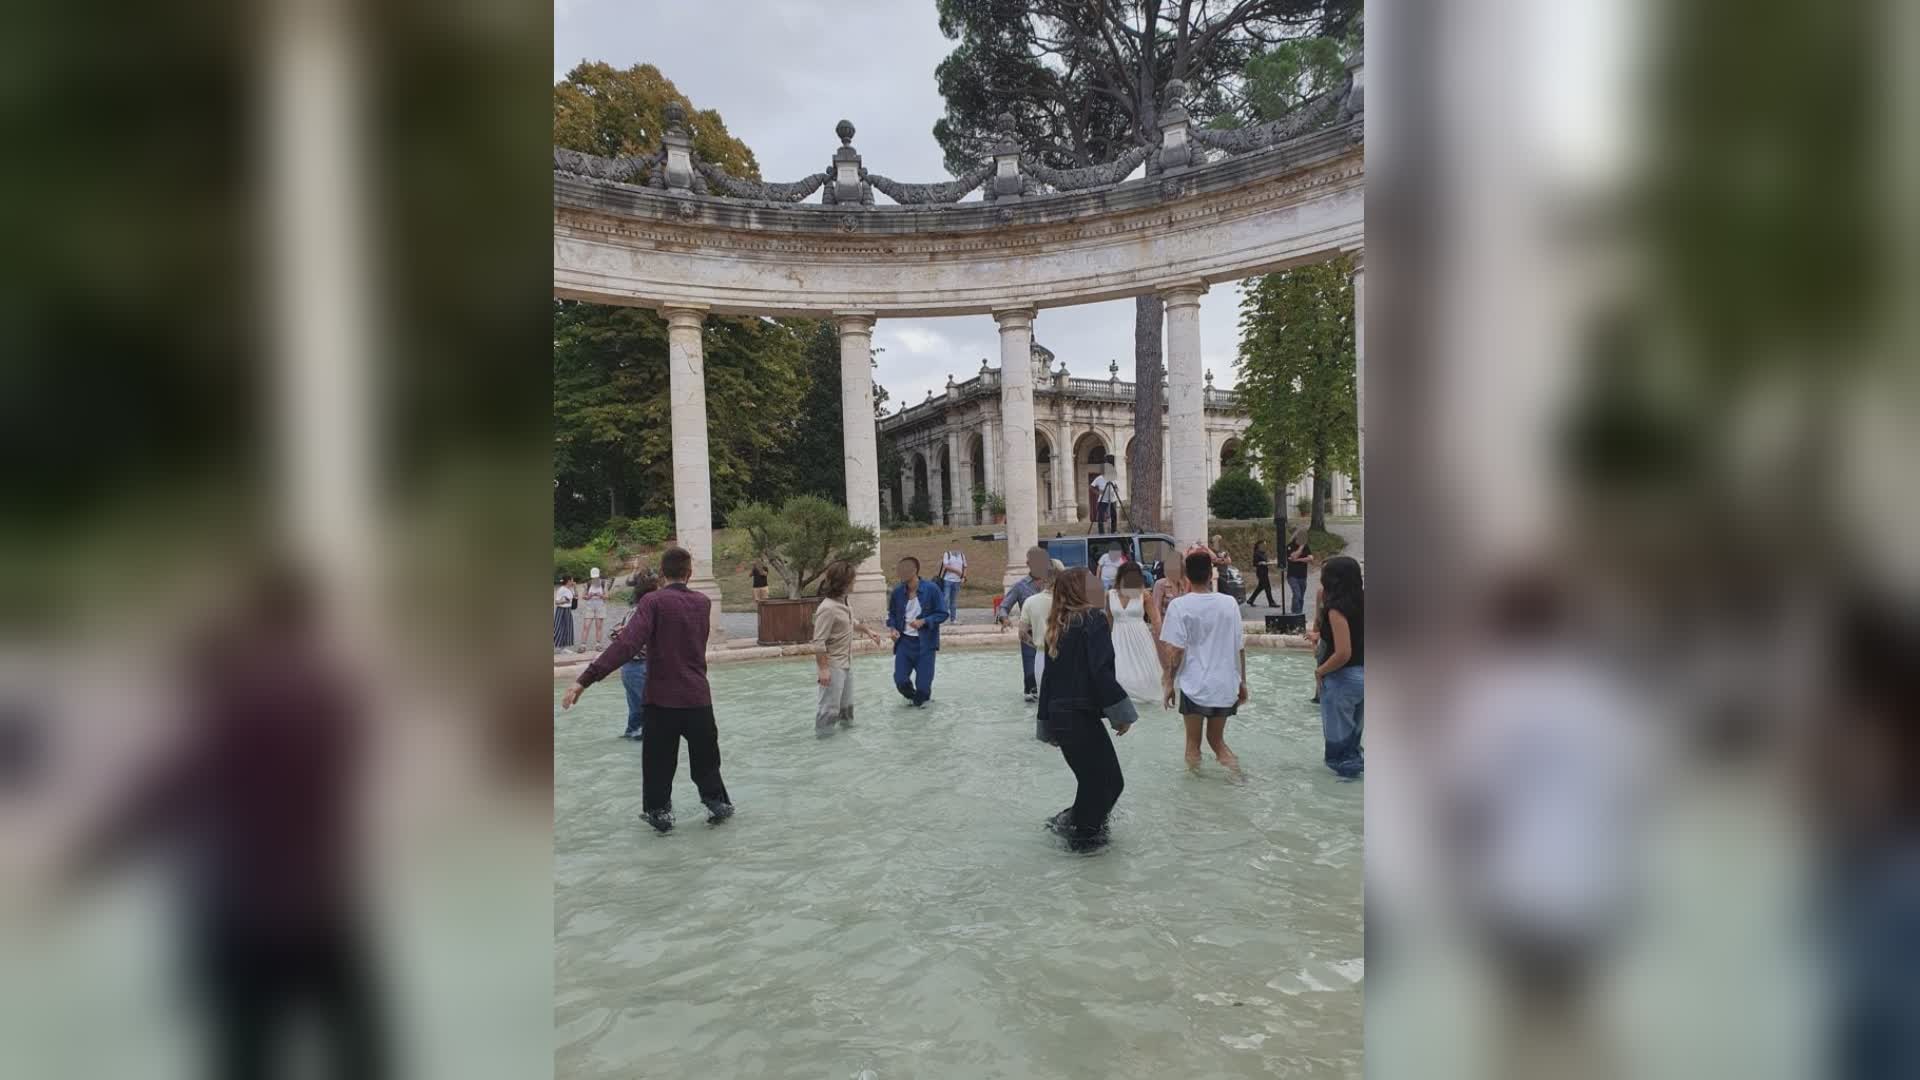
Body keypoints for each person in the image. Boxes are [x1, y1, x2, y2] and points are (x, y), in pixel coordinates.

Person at [561, 547, 734, 833]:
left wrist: (585, 680)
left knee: (657, 777)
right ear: (690, 574)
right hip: (698, 700)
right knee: (708, 772)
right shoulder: (703, 603)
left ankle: (661, 830)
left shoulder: (653, 601)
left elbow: (627, 645)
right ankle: (719, 814)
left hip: (661, 702)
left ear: (662, 574)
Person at [1036, 568, 1136, 852]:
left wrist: (1046, 724)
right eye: (1093, 581)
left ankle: (1070, 826)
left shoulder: (1059, 624)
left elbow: (1048, 681)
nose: (1099, 584)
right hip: (1079, 717)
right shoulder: (1093, 619)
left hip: (1064, 718)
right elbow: (1100, 672)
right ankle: (1084, 842)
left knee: (1098, 782)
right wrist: (1121, 715)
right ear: (1082, 589)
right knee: (1106, 783)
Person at [1159, 550, 1247, 775]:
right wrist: (1242, 682)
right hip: (1225, 683)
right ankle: (1239, 779)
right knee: (1217, 742)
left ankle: (1195, 793)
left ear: (1186, 575)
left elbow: (1176, 651)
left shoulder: (1179, 606)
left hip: (1194, 684)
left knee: (1192, 744)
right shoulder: (1229, 604)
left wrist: (1169, 682)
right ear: (1211, 574)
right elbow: (1239, 647)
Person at [810, 560, 886, 737]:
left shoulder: (844, 603)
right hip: (833, 665)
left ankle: (846, 743)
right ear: (843, 582)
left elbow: (851, 622)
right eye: (852, 579)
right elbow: (818, 641)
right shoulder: (827, 608)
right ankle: (823, 742)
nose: (854, 583)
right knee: (828, 709)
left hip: (846, 664)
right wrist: (823, 669)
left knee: (847, 708)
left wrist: (868, 630)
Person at [1313, 555, 1364, 778]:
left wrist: (1320, 670)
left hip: (1343, 679)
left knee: (1339, 750)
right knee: (1354, 742)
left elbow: (1343, 652)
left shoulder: (1337, 609)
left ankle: (1340, 793)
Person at [886, 555, 949, 707]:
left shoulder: (931, 589)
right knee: (900, 681)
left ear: (914, 570)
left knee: (923, 687)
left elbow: (943, 613)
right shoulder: (897, 592)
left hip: (926, 644)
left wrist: (924, 621)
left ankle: (921, 712)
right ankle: (916, 703)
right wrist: (893, 629)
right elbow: (892, 615)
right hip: (904, 643)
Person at [998, 547, 1052, 702]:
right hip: (1028, 636)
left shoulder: (1053, 583)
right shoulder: (1020, 586)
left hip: (1051, 635)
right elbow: (1004, 606)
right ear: (1028, 564)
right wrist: (1004, 618)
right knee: (1030, 679)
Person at [1106, 562, 1164, 704]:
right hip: (1118, 637)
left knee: (1144, 672)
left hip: (1140, 637)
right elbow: (1108, 619)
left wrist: (1164, 641)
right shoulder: (1110, 595)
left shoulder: (1144, 595)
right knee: (1119, 671)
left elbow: (1156, 620)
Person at [617, 570, 659, 740]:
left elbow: (614, 634)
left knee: (635, 710)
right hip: (640, 665)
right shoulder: (643, 612)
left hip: (628, 667)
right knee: (648, 709)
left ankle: (631, 734)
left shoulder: (632, 611)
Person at [1018, 558, 1065, 692]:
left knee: (1043, 703)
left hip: (1041, 656)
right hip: (1066, 657)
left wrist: (1036, 643)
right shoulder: (1069, 600)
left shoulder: (1030, 602)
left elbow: (1022, 634)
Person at [580, 566, 610, 647]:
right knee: (586, 626)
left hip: (600, 606)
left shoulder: (604, 583)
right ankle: (583, 645)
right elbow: (583, 596)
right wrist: (589, 596)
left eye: (596, 577)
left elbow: (607, 596)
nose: (595, 578)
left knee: (599, 626)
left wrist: (601, 595)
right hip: (590, 606)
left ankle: (598, 644)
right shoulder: (588, 583)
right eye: (593, 577)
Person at [1286, 526, 1313, 614]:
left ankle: (1299, 614)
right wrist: (1301, 548)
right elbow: (1293, 556)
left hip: (1303, 575)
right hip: (1292, 575)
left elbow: (1311, 558)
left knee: (1301, 597)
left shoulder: (1306, 546)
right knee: (1297, 594)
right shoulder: (1290, 546)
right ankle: (1295, 614)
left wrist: (1298, 560)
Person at [938, 547, 967, 624]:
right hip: (948, 580)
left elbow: (965, 567)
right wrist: (957, 571)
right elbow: (946, 566)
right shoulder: (947, 554)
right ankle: (942, 618)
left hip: (957, 581)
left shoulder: (961, 555)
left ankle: (953, 619)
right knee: (946, 599)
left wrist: (963, 577)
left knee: (953, 601)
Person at [1247, 540, 1278, 608]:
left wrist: (1272, 561)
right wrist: (1260, 563)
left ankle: (1251, 600)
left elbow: (1267, 561)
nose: (1265, 546)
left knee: (1260, 587)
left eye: (1265, 545)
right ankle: (1271, 602)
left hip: (1265, 571)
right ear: (1259, 545)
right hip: (1260, 572)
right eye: (1263, 544)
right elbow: (1254, 563)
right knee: (1267, 587)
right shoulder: (1256, 553)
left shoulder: (1263, 553)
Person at [552, 575, 576, 651]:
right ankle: (556, 645)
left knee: (567, 629)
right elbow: (557, 602)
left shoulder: (570, 589)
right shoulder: (561, 589)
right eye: (572, 580)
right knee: (558, 628)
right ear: (568, 581)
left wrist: (575, 587)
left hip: (568, 610)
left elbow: (576, 596)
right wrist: (565, 601)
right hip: (561, 610)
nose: (573, 581)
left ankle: (563, 648)